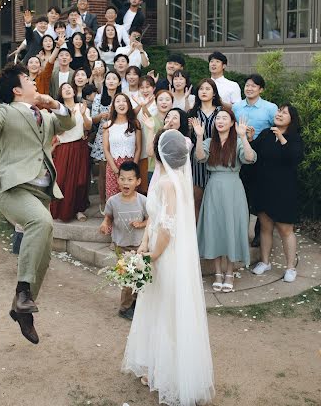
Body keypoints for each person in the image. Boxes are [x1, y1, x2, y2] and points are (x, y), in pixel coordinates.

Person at [0, 61, 75, 345]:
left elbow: (69, 123)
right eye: (27, 78)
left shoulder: (44, 115)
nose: (32, 80)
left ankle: (22, 308)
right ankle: (23, 292)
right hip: (13, 189)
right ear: (17, 89)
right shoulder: (5, 112)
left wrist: (54, 104)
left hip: (40, 193)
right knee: (41, 222)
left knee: (45, 253)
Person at [122, 129, 214, 406]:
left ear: (162, 152)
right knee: (161, 308)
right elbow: (155, 219)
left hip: (166, 255)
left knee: (165, 309)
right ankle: (156, 365)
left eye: (154, 143)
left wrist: (152, 255)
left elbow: (167, 227)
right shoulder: (172, 180)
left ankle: (168, 372)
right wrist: (142, 246)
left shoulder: (166, 185)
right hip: (160, 250)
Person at [193, 109, 256, 292]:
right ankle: (218, 273)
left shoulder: (237, 142)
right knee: (215, 229)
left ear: (232, 123)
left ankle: (229, 272)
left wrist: (243, 137)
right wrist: (198, 137)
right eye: (218, 118)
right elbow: (199, 157)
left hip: (234, 189)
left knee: (231, 229)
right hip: (213, 188)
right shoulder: (207, 142)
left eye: (224, 118)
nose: (220, 121)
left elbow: (250, 158)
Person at [250, 104, 304, 283]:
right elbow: (254, 154)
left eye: (284, 112)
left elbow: (294, 157)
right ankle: (265, 262)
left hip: (284, 189)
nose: (279, 114)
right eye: (279, 111)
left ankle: (290, 267)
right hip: (264, 186)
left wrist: (281, 137)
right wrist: (249, 139)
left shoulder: (294, 138)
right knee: (265, 226)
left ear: (291, 118)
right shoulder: (266, 133)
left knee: (285, 229)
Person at [233, 74, 278, 247]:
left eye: (254, 86)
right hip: (242, 154)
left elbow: (277, 127)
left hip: (263, 156)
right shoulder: (237, 107)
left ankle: (260, 232)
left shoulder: (270, 108)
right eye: (247, 85)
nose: (249, 88)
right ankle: (239, 232)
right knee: (242, 193)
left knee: (261, 194)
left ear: (261, 89)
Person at [100, 161, 148, 320]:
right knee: (127, 279)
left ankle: (137, 304)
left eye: (130, 179)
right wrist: (105, 224)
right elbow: (108, 217)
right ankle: (125, 307)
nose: (125, 183)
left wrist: (141, 224)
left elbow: (151, 220)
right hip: (122, 247)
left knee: (140, 277)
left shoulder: (143, 201)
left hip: (139, 246)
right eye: (122, 179)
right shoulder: (113, 201)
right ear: (117, 179)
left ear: (138, 181)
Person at [50, 83, 92, 223]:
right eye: (63, 89)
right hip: (63, 147)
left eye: (69, 88)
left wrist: (84, 114)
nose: (67, 90)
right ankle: (61, 210)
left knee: (80, 180)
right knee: (61, 179)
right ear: (60, 94)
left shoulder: (81, 107)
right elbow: (59, 132)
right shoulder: (57, 110)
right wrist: (69, 119)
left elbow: (88, 127)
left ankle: (79, 210)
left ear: (74, 91)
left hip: (80, 146)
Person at [188, 78, 223, 222]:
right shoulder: (192, 112)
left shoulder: (221, 112)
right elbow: (187, 138)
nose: (204, 91)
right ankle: (197, 237)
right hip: (197, 158)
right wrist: (190, 130)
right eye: (201, 89)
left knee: (216, 201)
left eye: (208, 89)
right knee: (197, 199)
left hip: (218, 157)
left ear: (214, 93)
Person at [91, 71, 122, 212]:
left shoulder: (122, 98)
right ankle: (103, 201)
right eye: (108, 78)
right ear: (104, 81)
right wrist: (101, 115)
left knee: (119, 169)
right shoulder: (98, 98)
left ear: (119, 82)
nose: (111, 81)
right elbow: (93, 119)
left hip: (119, 136)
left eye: (114, 78)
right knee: (103, 171)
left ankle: (118, 200)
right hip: (102, 136)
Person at [103, 93, 141, 199]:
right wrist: (116, 170)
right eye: (118, 101)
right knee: (113, 199)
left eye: (124, 101)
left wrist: (134, 167)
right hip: (113, 166)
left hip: (131, 165)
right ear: (114, 106)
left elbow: (138, 148)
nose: (121, 103)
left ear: (128, 105)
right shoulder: (107, 125)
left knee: (131, 199)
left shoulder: (135, 124)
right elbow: (106, 149)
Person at [142, 90, 174, 186]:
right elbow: (150, 150)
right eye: (160, 99)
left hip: (173, 168)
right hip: (154, 168)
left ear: (172, 103)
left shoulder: (176, 120)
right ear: (156, 103)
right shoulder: (150, 121)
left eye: (167, 99)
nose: (164, 102)